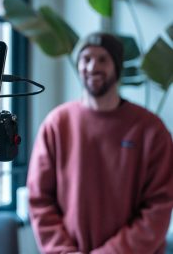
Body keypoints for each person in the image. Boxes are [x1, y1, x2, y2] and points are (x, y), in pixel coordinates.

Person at [27, 32, 173, 254]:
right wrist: (62, 250)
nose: (93, 66)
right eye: (86, 59)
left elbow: (159, 208)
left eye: (103, 59)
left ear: (116, 66)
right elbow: (39, 199)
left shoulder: (151, 129)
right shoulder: (56, 124)